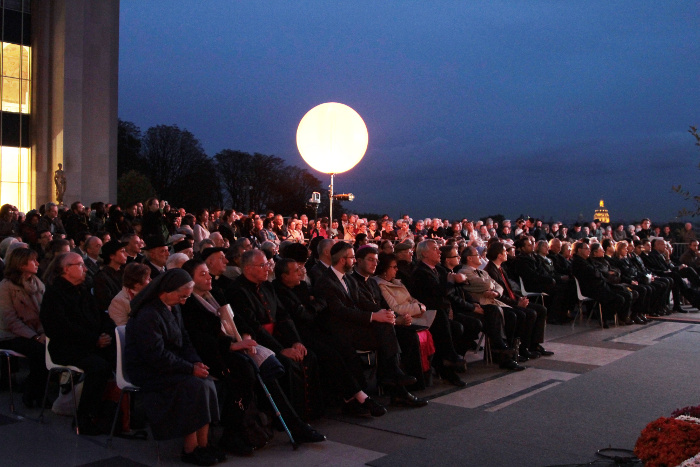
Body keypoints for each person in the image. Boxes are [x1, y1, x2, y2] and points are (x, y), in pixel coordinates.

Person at [180, 259, 325, 453]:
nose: (208, 277)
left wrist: (247, 335)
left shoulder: (214, 294)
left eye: (208, 273)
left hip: (233, 347)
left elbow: (238, 319)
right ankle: (238, 431)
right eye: (202, 274)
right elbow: (198, 338)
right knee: (248, 370)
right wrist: (233, 345)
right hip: (211, 355)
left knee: (270, 367)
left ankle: (288, 422)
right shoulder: (188, 303)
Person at [124, 269, 225, 465]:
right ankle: (190, 448)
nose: (184, 301)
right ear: (167, 291)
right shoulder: (148, 314)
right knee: (193, 386)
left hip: (170, 363)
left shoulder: (173, 307)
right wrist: (188, 369)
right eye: (182, 296)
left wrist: (195, 361)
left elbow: (184, 340)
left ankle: (203, 444)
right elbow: (155, 355)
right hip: (148, 369)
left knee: (206, 381)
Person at [39, 252, 116, 435]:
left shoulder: (82, 290)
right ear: (66, 269)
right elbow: (61, 328)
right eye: (80, 264)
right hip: (66, 347)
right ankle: (84, 417)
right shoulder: (55, 294)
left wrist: (106, 333)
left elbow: (100, 315)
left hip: (90, 343)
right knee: (99, 367)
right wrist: (94, 339)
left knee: (118, 357)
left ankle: (115, 412)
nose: (85, 268)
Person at [0, 248, 49, 407]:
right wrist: (34, 336)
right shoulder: (5, 287)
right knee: (40, 350)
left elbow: (45, 312)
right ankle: (35, 391)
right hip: (10, 335)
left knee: (52, 346)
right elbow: (10, 320)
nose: (37, 264)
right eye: (33, 261)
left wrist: (42, 332)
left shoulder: (37, 283)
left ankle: (37, 389)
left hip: (36, 331)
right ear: (21, 265)